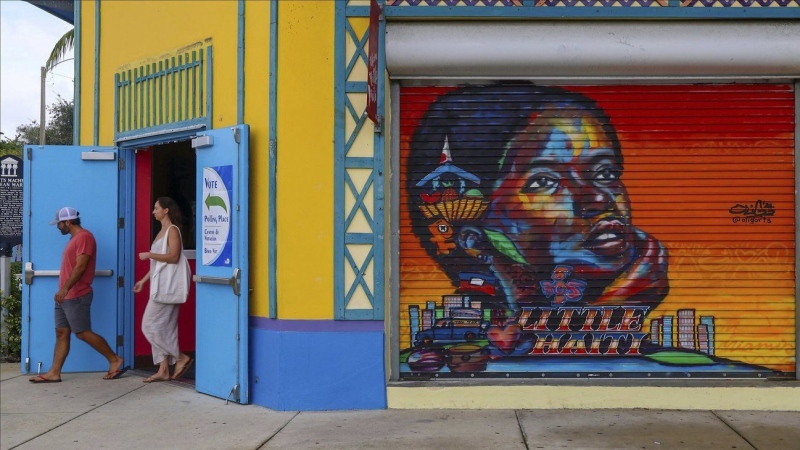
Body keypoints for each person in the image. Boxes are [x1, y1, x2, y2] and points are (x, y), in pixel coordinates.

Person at [407, 84, 669, 312]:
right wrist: (611, 306)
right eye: (544, 181)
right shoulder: (459, 355)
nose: (599, 198)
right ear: (475, 241)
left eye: (604, 172)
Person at [29, 207, 127, 383]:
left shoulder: (84, 237)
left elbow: (81, 266)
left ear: (68, 222)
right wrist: (63, 291)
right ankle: (54, 372)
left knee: (82, 332)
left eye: (59, 223)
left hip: (77, 295)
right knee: (61, 332)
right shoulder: (75, 239)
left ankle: (115, 359)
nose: (57, 226)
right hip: (64, 296)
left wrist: (65, 288)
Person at [133, 197, 193, 382]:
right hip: (161, 285)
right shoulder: (162, 231)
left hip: (167, 287)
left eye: (156, 208)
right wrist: (143, 281)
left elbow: (174, 257)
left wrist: (150, 254)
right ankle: (163, 369)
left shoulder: (172, 230)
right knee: (165, 327)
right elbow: (157, 264)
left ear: (166, 210)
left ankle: (181, 357)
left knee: (149, 326)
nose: (153, 212)